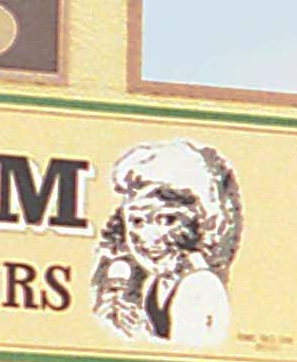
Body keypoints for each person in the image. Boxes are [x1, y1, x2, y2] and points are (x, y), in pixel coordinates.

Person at [91, 138, 242, 348]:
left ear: (199, 220)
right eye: (137, 221)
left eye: (167, 220)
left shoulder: (198, 287)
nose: (148, 236)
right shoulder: (156, 283)